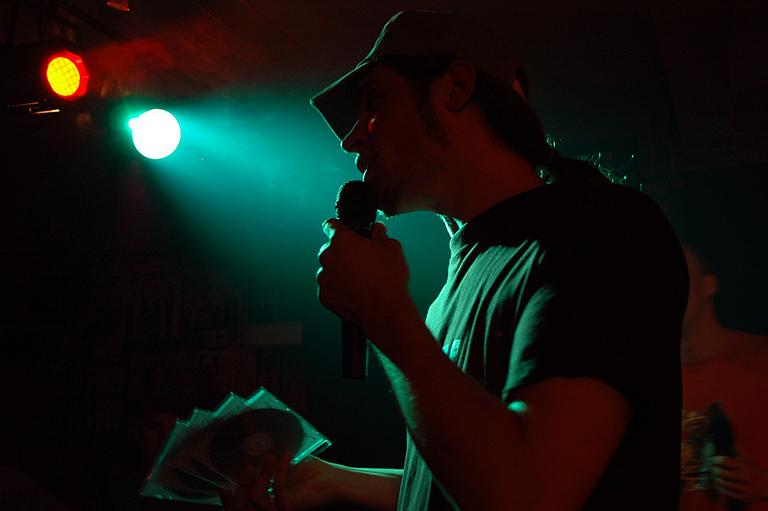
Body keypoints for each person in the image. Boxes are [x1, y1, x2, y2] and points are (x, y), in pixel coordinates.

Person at [222, 9, 688, 511]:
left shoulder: (601, 230)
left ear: (455, 88)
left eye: (374, 101)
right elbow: (468, 479)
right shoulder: (451, 290)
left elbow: (527, 494)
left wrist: (383, 313)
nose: (349, 138)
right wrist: (335, 482)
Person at [679, 243, 768, 510]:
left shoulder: (760, 358)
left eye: (678, 276)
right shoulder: (645, 380)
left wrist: (764, 484)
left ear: (707, 286)